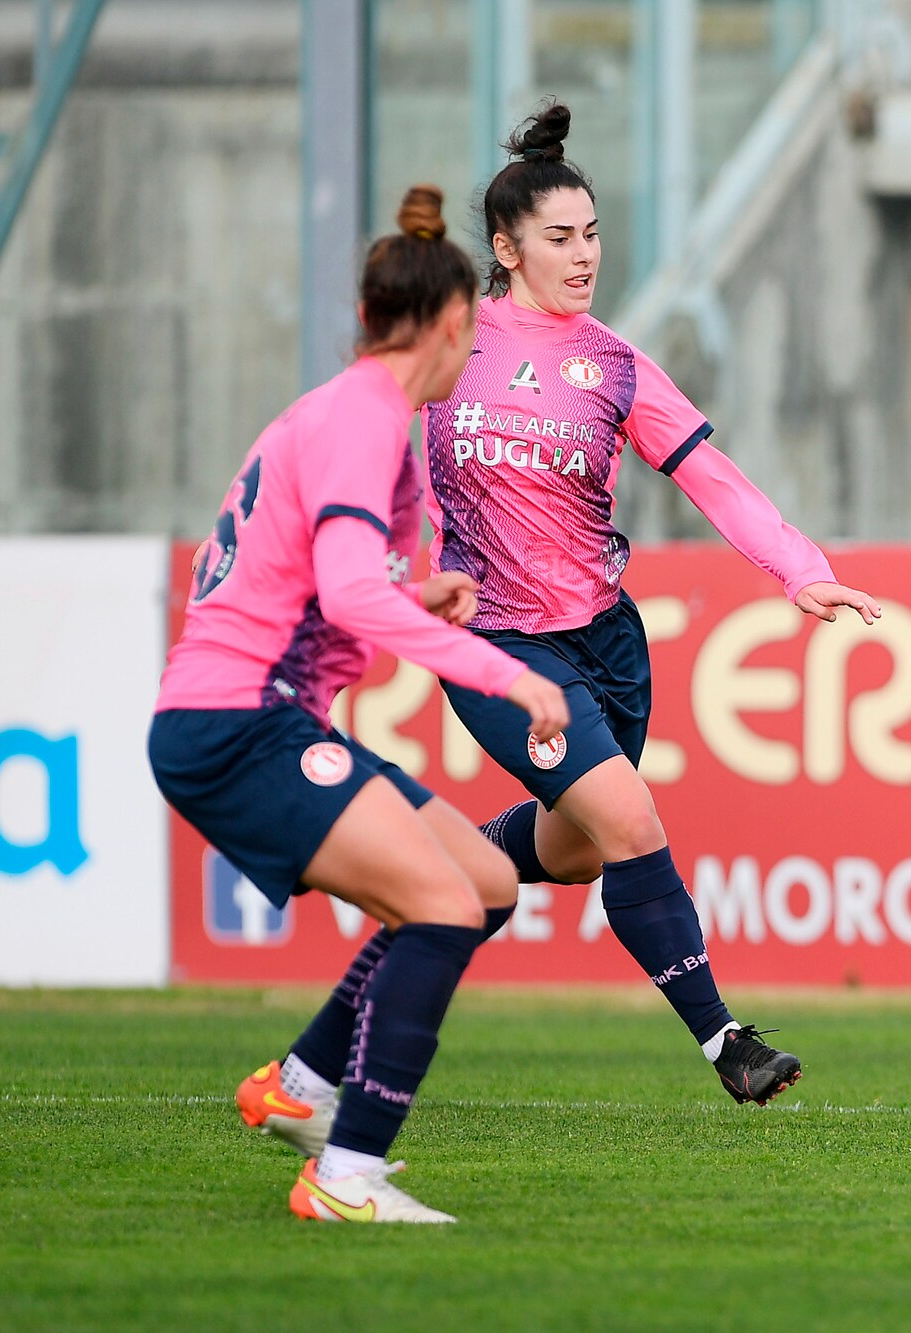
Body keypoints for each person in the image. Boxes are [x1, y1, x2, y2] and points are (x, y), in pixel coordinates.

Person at [249, 101, 879, 1132]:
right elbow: (348, 442)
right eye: (559, 237)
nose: (584, 255)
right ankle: (728, 1042)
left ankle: (319, 1046)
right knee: (631, 820)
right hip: (494, 643)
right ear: (505, 249)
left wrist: (797, 570)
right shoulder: (451, 344)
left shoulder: (616, 364)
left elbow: (711, 477)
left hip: (606, 643)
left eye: (591, 234)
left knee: (577, 851)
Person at [156, 185, 571, 1221]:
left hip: (256, 716)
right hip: (238, 724)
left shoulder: (345, 410)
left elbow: (316, 579)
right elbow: (345, 595)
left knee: (483, 881)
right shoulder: (363, 419)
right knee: (440, 905)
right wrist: (508, 673)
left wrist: (413, 594)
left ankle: (300, 1085)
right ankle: (347, 1176)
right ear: (451, 323)